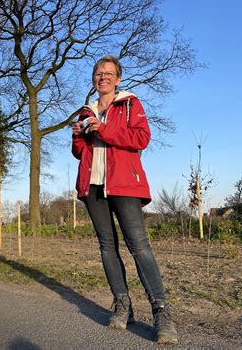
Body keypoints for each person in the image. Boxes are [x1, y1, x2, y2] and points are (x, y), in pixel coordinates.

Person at [71, 55, 178, 344]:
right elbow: (80, 153)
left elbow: (141, 138)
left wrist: (103, 128)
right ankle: (122, 305)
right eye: (98, 73)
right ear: (93, 79)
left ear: (117, 79)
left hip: (125, 184)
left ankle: (161, 312)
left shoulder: (130, 103)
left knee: (139, 246)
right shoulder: (86, 111)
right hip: (93, 186)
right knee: (107, 246)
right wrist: (78, 136)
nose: (102, 77)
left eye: (109, 73)